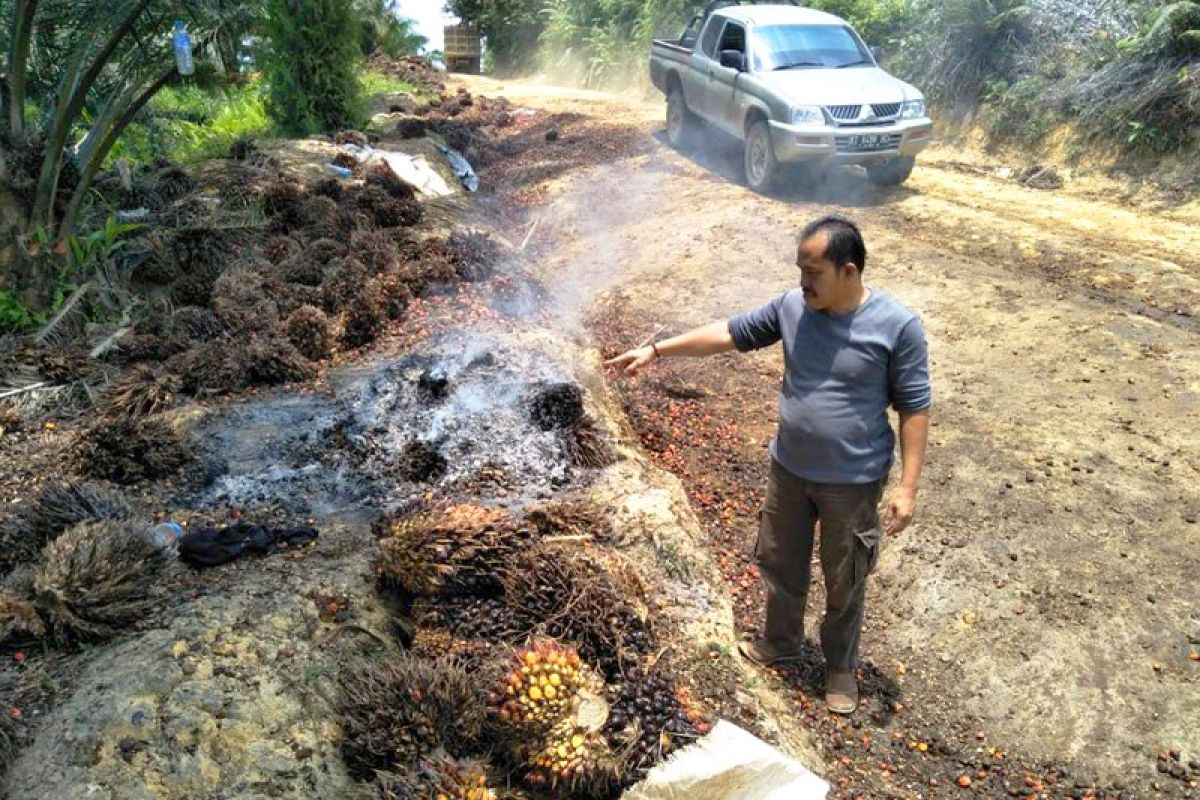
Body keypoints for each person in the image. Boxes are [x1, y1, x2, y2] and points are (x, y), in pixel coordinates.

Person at [604, 214, 931, 714]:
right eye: (800, 269)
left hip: (853, 480)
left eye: (813, 272)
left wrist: (907, 486)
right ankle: (780, 640)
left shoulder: (898, 327)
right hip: (790, 470)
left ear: (848, 271)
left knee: (845, 575)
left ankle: (840, 665)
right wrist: (656, 350)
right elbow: (729, 333)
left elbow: (915, 408)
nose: (803, 282)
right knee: (779, 559)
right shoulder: (792, 307)